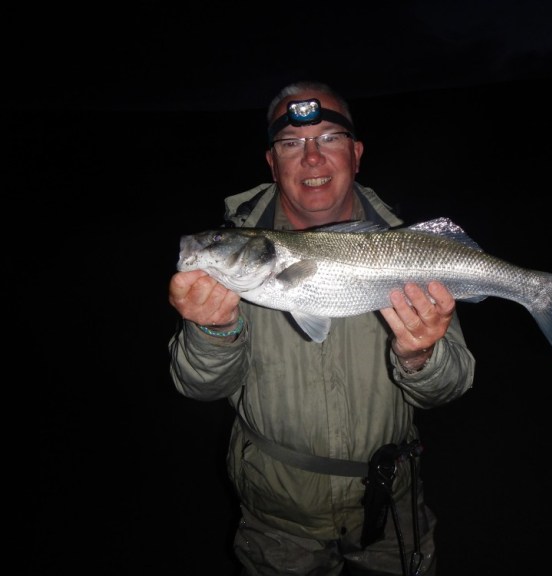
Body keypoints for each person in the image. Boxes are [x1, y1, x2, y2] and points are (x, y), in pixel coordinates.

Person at [168, 80, 476, 576]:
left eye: (328, 139)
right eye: (291, 143)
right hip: (277, 519)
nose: (311, 159)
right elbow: (201, 387)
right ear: (272, 162)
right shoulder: (227, 275)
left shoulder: (408, 250)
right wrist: (213, 331)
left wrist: (420, 358)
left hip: (391, 504)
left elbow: (451, 386)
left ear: (355, 153)